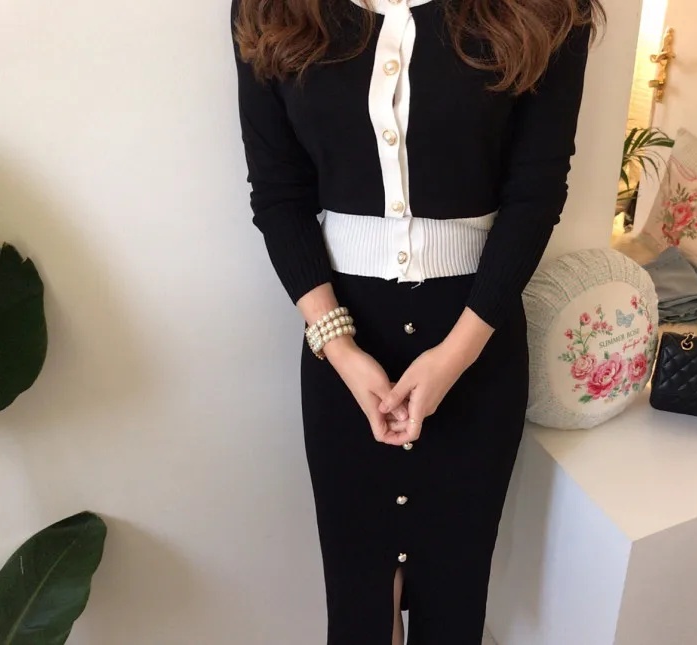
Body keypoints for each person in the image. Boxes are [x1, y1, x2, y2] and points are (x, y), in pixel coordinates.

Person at [231, 0, 603, 642]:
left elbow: (536, 193)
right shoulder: (268, 7)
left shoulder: (547, 9)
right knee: (359, 604)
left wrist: (456, 354)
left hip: (476, 340)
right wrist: (340, 349)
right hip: (343, 345)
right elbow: (278, 191)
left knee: (453, 596)